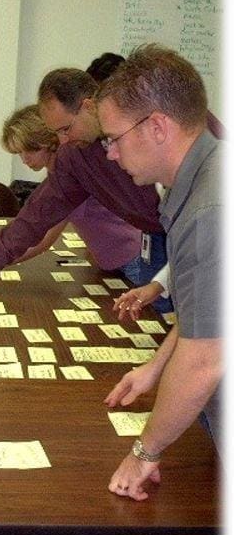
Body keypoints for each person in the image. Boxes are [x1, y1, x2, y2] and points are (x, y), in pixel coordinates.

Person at [97, 44, 222, 501]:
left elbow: (206, 357)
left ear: (156, 127)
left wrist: (144, 453)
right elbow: (206, 311)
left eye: (113, 138)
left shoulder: (211, 209)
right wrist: (156, 366)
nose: (110, 154)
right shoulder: (202, 179)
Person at [0, 68, 170, 311]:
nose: (62, 141)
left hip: (167, 239)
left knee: (168, 316)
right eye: (56, 133)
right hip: (151, 242)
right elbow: (38, 213)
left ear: (88, 107)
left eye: (65, 129)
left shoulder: (137, 133)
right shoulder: (74, 155)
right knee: (155, 316)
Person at [1, 105, 143, 281]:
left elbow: (44, 239)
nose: (24, 159)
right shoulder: (61, 173)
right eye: (19, 153)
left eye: (30, 150)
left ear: (49, 141)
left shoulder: (69, 176)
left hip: (134, 261)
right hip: (113, 260)